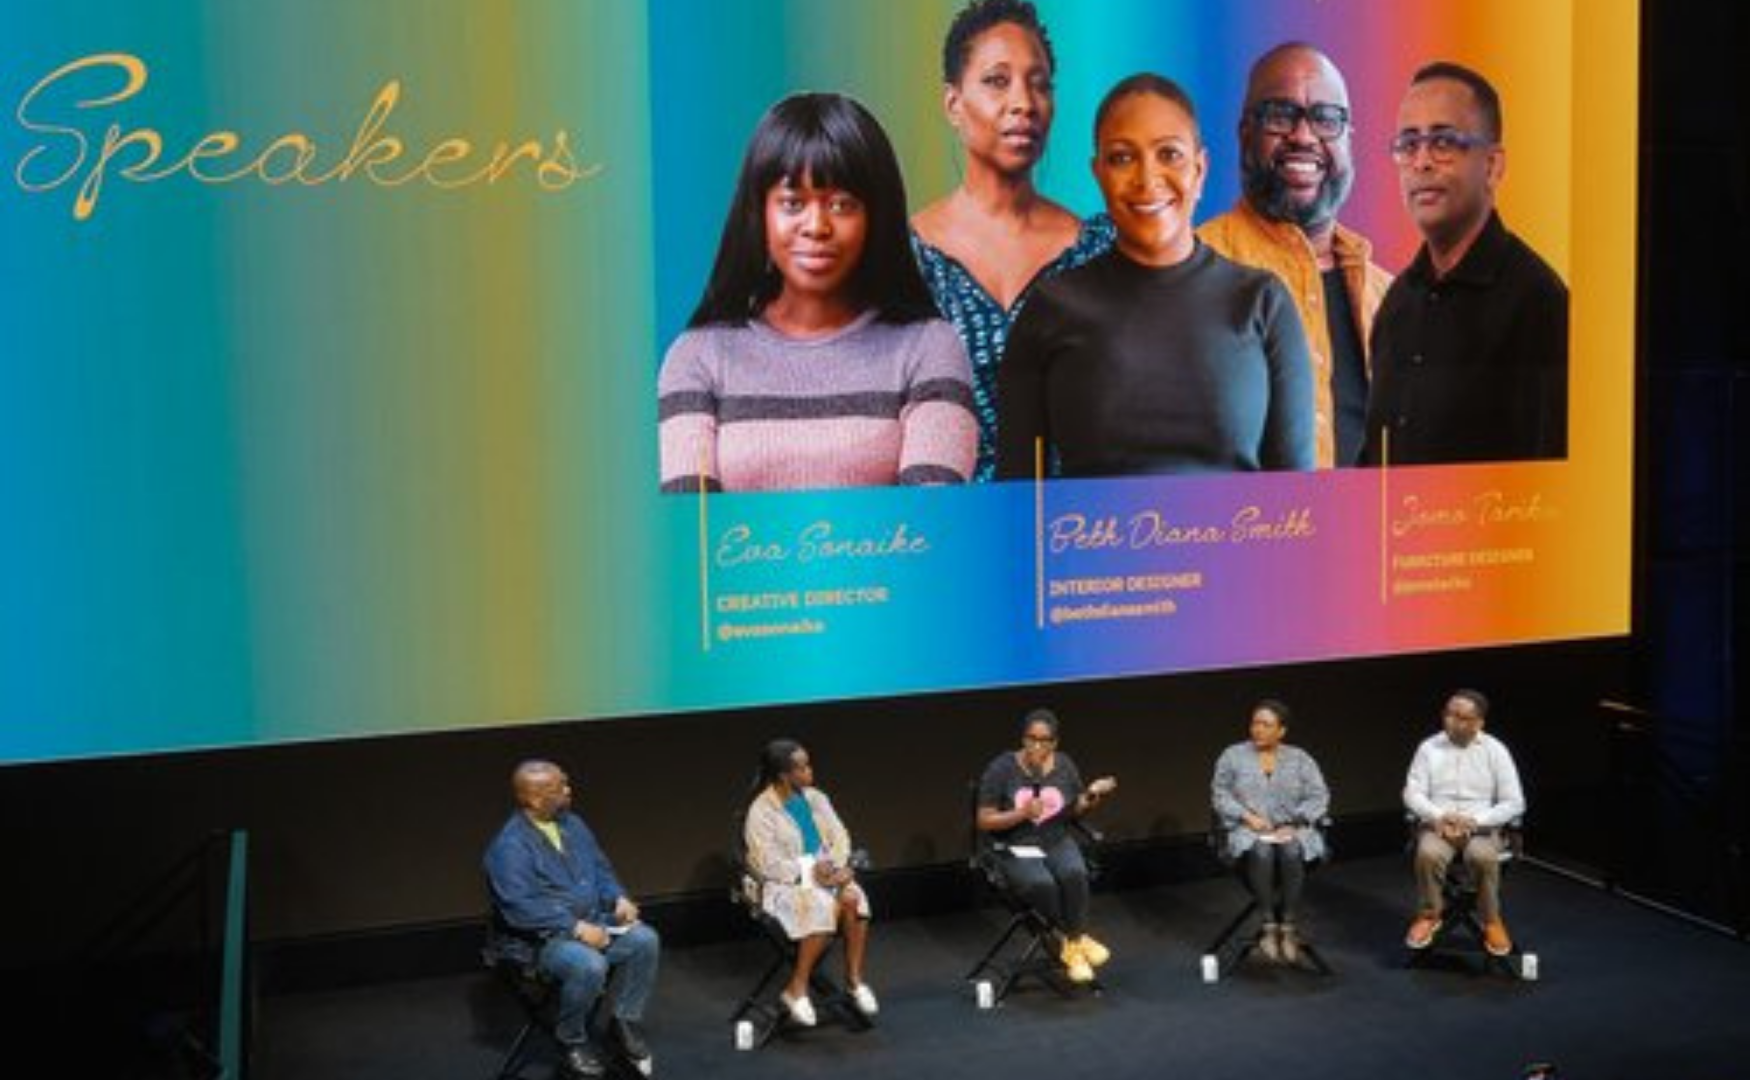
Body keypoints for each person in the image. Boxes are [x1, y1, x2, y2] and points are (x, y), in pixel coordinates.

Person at [995, 73, 1316, 478]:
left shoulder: (1261, 302)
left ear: (1200, 170)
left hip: (1239, 524)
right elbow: (1017, 496)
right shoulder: (1051, 307)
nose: (1147, 179)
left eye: (1169, 154)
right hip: (1089, 524)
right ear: (1098, 173)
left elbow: (1296, 497)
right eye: (1122, 158)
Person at [658, 92, 977, 493]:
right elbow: (692, 523)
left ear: (876, 217)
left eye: (842, 205)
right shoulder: (698, 357)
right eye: (792, 203)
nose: (816, 226)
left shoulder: (928, 348)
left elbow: (931, 517)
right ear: (758, 214)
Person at [911, 0, 1115, 480]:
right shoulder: (905, 256)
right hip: (945, 518)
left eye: (1039, 84)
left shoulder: (1099, 250)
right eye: (997, 81)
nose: (1024, 102)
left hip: (1075, 517)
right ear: (953, 104)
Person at [1362, 61, 1569, 466]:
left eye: (1443, 142)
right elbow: (1373, 458)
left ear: (1492, 166)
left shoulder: (1539, 304)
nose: (1422, 162)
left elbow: (1553, 476)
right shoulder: (1396, 304)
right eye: (1409, 144)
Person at [1200, 42, 1391, 467]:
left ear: (1349, 139)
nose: (1304, 136)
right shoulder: (1190, 270)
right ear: (1245, 134)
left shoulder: (1391, 298)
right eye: (1280, 115)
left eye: (1326, 119)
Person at [483, 761, 659, 1079]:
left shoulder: (573, 824)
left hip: (593, 919)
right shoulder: (509, 847)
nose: (568, 790)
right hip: (540, 941)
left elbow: (601, 870)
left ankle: (623, 1021)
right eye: (558, 788)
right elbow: (519, 907)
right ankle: (572, 1040)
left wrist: (618, 898)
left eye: (565, 782)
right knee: (589, 964)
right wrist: (575, 928)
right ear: (533, 799)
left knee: (644, 940)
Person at [976, 707, 1117, 983]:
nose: (1037, 746)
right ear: (1023, 739)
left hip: (1055, 839)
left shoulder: (1064, 765)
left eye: (1044, 741)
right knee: (1041, 883)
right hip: (1015, 844)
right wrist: (1021, 813)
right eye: (1032, 739)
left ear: (1055, 743)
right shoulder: (1002, 768)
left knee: (1074, 873)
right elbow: (984, 820)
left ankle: (1072, 945)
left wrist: (1091, 794)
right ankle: (1076, 938)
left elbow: (1075, 810)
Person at [743, 738, 876, 1027]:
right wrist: (811, 872)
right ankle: (797, 988)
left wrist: (839, 868)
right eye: (802, 768)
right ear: (784, 775)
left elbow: (840, 836)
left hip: (826, 875)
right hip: (785, 885)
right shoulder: (761, 812)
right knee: (821, 904)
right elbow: (768, 865)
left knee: (853, 897)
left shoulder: (817, 798)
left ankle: (854, 980)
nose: (809, 772)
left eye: (809, 765)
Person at [1403, 688, 1527, 956]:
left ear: (1478, 723)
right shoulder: (1428, 747)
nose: (1451, 721)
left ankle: (1491, 919)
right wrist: (1438, 816)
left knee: (1482, 856)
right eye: (1448, 714)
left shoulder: (1495, 750)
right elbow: (1412, 793)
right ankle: (1429, 915)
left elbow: (1514, 802)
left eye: (1461, 717)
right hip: (1438, 824)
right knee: (1428, 853)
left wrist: (1474, 821)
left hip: (1480, 827)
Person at [1210, 699, 1330, 964]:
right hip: (1247, 829)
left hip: (1293, 828)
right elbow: (1220, 795)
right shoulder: (1232, 756)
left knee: (1292, 849)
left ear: (1281, 731)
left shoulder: (1300, 758)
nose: (1258, 729)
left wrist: (1296, 822)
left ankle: (1287, 925)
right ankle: (1268, 925)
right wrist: (1247, 816)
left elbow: (1319, 795)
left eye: (1266, 724)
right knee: (1262, 851)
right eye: (1255, 723)